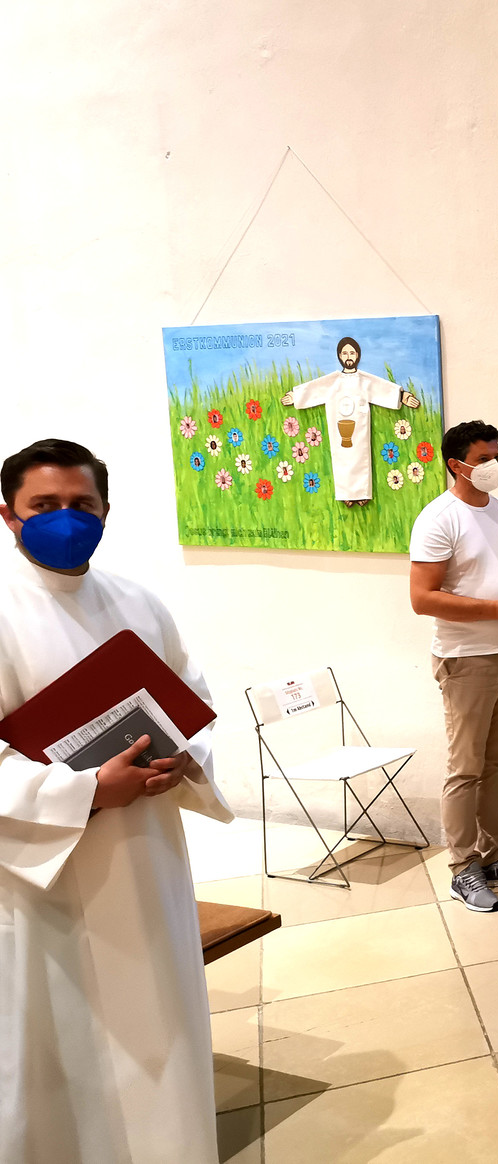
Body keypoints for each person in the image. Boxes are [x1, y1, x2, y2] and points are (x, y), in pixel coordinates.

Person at [0, 438, 233, 1163]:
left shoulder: (138, 602)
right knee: (65, 1040)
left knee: (160, 1017)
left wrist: (186, 757)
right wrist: (87, 791)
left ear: (105, 512)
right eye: (44, 505)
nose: (65, 518)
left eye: (82, 504)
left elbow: (191, 699)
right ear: (8, 515)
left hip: (147, 855)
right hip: (48, 874)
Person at [409, 420, 498, 913]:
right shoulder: (438, 519)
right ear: (456, 464)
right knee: (465, 768)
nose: (493, 465)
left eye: (496, 456)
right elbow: (422, 598)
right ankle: (462, 867)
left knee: (497, 763)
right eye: (483, 458)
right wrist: (497, 610)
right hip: (465, 659)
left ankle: (494, 855)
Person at [280, 336, 422, 506]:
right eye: (345, 353)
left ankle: (362, 494)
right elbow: (314, 389)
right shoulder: (333, 381)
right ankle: (345, 494)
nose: (349, 357)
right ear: (340, 356)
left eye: (352, 353)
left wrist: (402, 396)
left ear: (357, 355)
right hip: (338, 425)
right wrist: (295, 396)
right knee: (340, 457)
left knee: (361, 455)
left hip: (359, 425)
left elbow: (381, 388)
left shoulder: (363, 380)